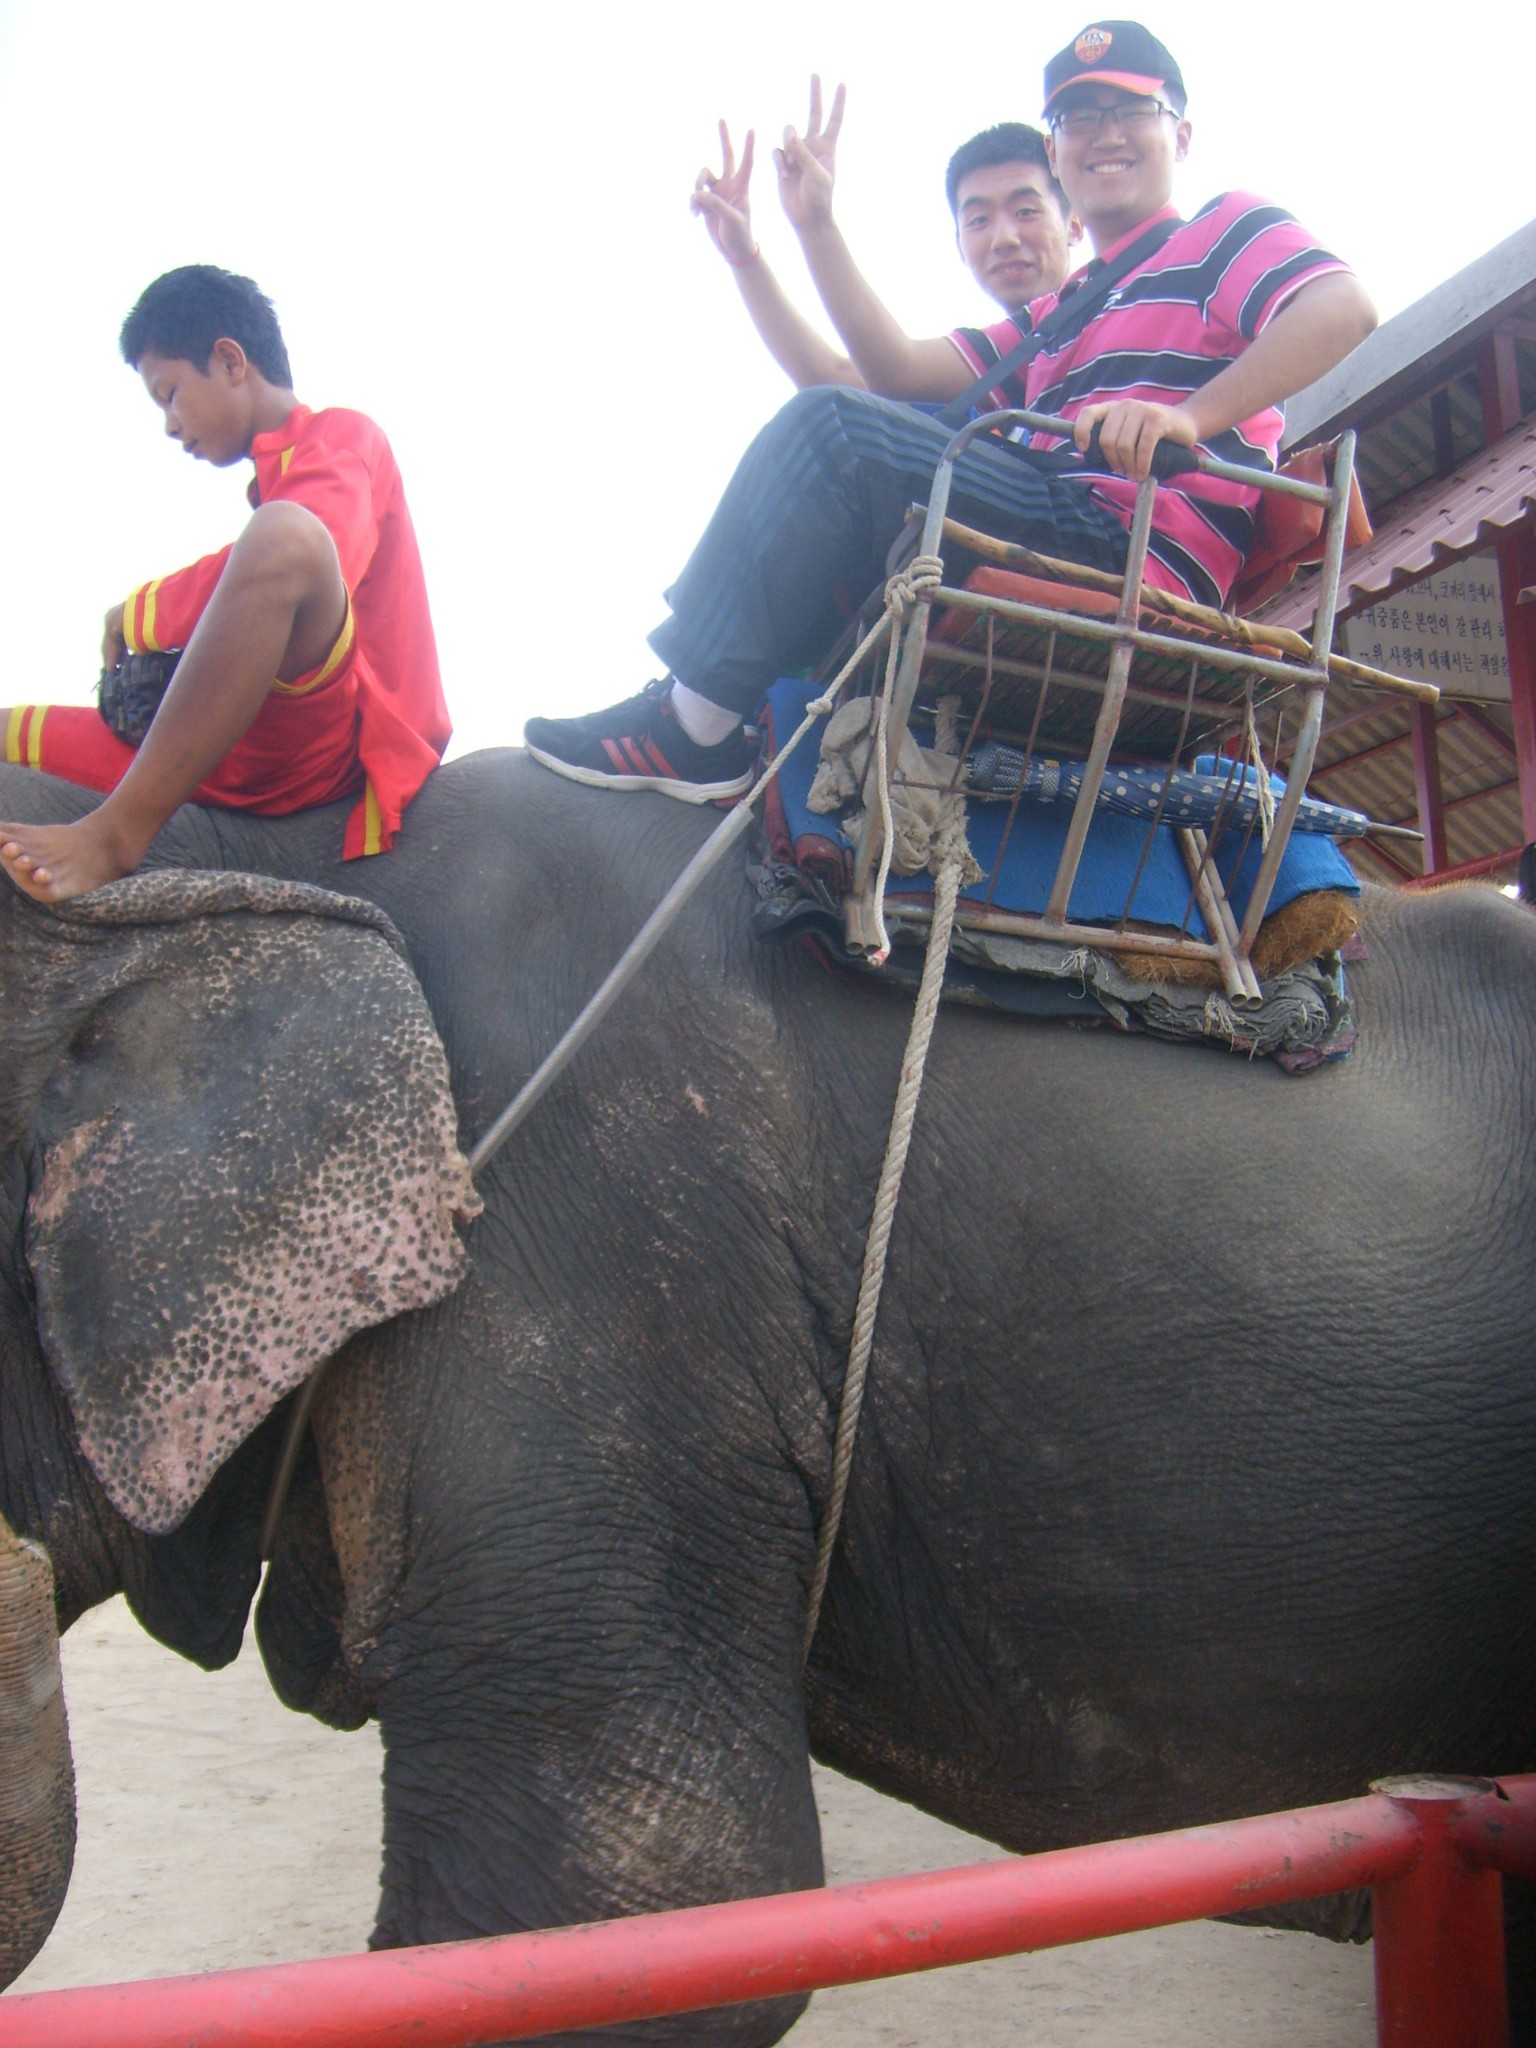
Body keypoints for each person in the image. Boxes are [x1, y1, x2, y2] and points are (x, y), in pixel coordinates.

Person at [524, 21, 1377, 804]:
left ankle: (695, 726)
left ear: (1180, 134)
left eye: (1131, 110)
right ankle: (724, 702)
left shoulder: (1223, 229)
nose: (1105, 134)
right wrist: (809, 229)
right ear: (1058, 147)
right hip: (1056, 521)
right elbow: (885, 377)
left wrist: (1189, 416)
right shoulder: (1059, 314)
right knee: (848, 431)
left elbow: (1340, 306)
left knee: (837, 434)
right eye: (1079, 119)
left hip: (1124, 544)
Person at [0, 266, 449, 903]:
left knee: (286, 536)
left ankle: (115, 836)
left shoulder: (345, 438)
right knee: (8, 729)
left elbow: (314, 548)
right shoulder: (277, 473)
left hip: (326, 744)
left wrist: (137, 612)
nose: (170, 423)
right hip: (241, 748)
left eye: (170, 393)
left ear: (231, 361)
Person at [693, 79, 1078, 396]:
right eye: (979, 220)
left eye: (1026, 211)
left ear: (1074, 224)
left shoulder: (1098, 319)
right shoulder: (1006, 352)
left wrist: (816, 224)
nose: (1004, 238)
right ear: (959, 245)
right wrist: (743, 257)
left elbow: (897, 371)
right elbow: (836, 380)